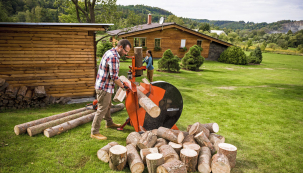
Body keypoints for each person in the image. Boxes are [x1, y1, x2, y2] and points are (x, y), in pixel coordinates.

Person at [91, 39, 131, 140]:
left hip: (106, 86)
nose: (126, 54)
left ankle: (109, 123)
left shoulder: (110, 52)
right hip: (104, 87)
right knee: (102, 109)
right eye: (126, 51)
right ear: (121, 47)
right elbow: (114, 77)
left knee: (108, 106)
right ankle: (94, 132)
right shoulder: (113, 57)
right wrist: (123, 86)